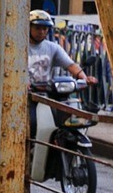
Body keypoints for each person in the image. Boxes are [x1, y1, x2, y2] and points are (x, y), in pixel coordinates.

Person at [27, 9, 95, 142]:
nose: (41, 32)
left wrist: (84, 78)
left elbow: (70, 65)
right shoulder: (19, 46)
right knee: (32, 124)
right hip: (28, 96)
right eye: (37, 28)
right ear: (28, 27)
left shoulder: (53, 47)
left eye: (45, 28)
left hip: (47, 94)